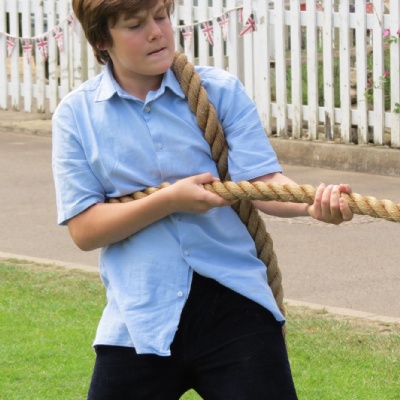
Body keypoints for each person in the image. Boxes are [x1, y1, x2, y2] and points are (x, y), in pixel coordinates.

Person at [52, 0, 353, 398]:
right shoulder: (76, 116)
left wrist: (311, 204)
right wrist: (169, 200)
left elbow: (262, 182)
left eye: (161, 16)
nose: (156, 32)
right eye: (135, 25)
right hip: (139, 316)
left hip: (235, 306)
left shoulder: (220, 91)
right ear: (101, 40)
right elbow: (85, 230)